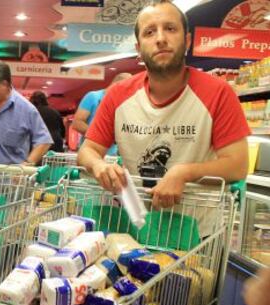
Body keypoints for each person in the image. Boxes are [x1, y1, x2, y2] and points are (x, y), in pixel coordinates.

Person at [78, 1, 249, 211]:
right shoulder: (117, 95)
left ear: (187, 41)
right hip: (137, 224)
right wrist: (99, 165)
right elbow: (88, 151)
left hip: (198, 233)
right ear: (139, 49)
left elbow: (237, 166)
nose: (160, 39)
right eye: (149, 32)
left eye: (170, 29)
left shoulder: (219, 93)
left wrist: (184, 172)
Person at [73, 72, 132, 156]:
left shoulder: (122, 102)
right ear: (117, 84)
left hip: (112, 155)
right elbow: (77, 123)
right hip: (90, 153)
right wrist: (101, 134)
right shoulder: (93, 96)